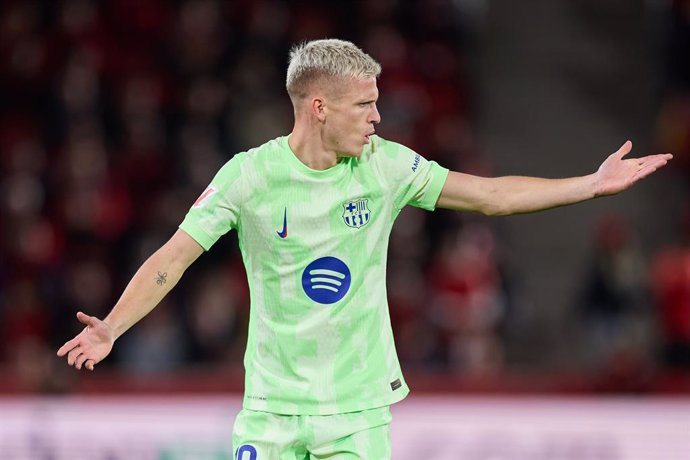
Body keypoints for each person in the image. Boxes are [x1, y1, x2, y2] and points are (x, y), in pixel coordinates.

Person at [57, 39, 672, 459]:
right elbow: (174, 256)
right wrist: (112, 328)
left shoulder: (385, 167)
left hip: (357, 410)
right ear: (319, 108)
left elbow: (488, 196)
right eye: (366, 104)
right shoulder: (248, 176)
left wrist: (590, 185)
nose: (379, 116)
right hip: (270, 408)